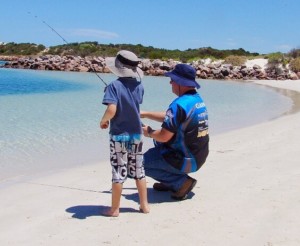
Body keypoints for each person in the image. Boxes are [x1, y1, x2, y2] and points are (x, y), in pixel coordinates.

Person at [141, 63, 209, 200]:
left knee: (137, 164)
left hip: (187, 160)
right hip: (199, 155)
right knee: (157, 143)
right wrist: (146, 113)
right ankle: (170, 181)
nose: (170, 82)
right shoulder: (196, 99)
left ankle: (181, 182)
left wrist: (148, 132)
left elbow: (164, 136)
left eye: (172, 79)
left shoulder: (178, 104)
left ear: (180, 82)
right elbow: (173, 119)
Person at [100, 50, 150, 216]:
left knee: (118, 170)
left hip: (118, 136)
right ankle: (144, 205)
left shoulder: (113, 86)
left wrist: (103, 120)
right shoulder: (139, 86)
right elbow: (134, 104)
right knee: (138, 170)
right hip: (136, 135)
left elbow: (112, 109)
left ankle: (115, 209)